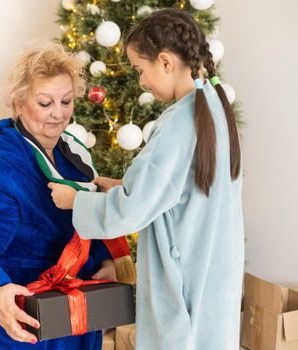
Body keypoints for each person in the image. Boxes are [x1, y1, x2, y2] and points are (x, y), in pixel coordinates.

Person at [49, 8, 244, 350]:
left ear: (166, 62)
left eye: (141, 70)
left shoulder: (178, 125)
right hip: (212, 272)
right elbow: (184, 189)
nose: (141, 82)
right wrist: (125, 186)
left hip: (183, 282)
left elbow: (129, 213)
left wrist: (75, 201)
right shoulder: (214, 107)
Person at [0, 42, 117, 349]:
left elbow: (85, 220)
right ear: (18, 103)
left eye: (66, 101)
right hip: (14, 321)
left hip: (69, 315)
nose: (58, 114)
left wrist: (104, 261)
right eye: (45, 103)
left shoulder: (74, 158)